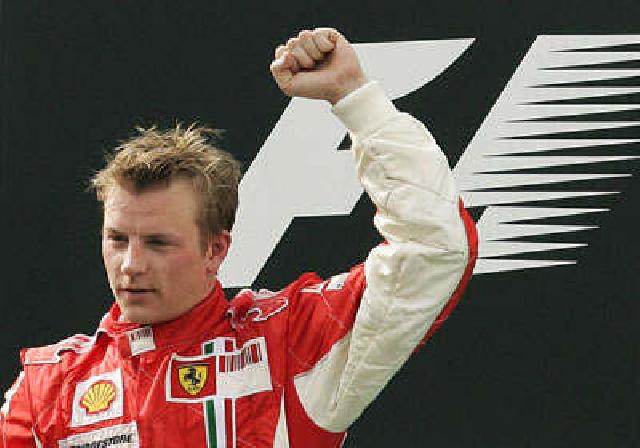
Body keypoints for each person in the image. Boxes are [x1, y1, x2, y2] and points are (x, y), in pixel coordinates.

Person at [0, 28, 477, 448]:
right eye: (118, 239)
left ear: (216, 250)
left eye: (159, 243)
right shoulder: (49, 390)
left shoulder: (286, 344)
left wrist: (354, 97)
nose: (131, 265)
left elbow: (433, 249)